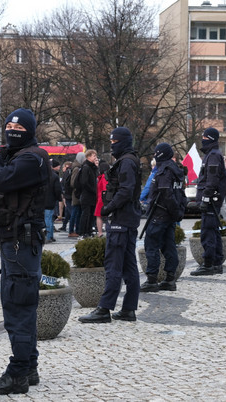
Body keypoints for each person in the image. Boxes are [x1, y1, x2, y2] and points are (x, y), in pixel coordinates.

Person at [0, 108, 50, 395]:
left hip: (22, 243)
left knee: (17, 307)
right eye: (8, 124)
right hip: (15, 241)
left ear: (30, 130)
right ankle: (29, 366)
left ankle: (18, 373)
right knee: (22, 305)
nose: (12, 130)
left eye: (18, 127)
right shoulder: (21, 156)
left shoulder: (31, 158)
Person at [78, 126, 142, 323]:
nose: (112, 145)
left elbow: (126, 190)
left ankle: (104, 309)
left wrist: (109, 208)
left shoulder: (126, 162)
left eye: (114, 142)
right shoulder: (129, 160)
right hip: (126, 218)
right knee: (129, 265)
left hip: (121, 219)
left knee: (113, 264)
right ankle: (128, 309)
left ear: (123, 142)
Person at [140, 143, 185, 292]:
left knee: (151, 244)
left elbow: (166, 193)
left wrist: (172, 210)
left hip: (160, 214)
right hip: (168, 215)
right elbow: (180, 194)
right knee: (168, 245)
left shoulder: (165, 170)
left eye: (156, 153)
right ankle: (170, 279)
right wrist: (176, 212)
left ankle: (152, 279)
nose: (154, 155)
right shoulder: (176, 170)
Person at [190, 127, 226, 276]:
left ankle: (208, 264)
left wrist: (205, 198)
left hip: (211, 200)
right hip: (212, 198)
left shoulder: (213, 156)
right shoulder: (212, 154)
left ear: (210, 139)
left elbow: (211, 181)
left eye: (204, 137)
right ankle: (217, 262)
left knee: (208, 232)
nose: (202, 139)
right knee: (213, 230)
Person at [77, 149, 99, 238]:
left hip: (92, 195)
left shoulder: (92, 167)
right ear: (88, 157)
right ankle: (83, 232)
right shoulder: (86, 167)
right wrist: (93, 190)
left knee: (91, 214)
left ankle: (89, 231)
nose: (95, 158)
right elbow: (84, 182)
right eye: (94, 156)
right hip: (87, 195)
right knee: (85, 214)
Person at [44, 159, 62, 243]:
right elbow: (58, 189)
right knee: (49, 218)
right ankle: (49, 236)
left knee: (47, 218)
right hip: (51, 199)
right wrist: (59, 198)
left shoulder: (43, 175)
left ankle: (48, 236)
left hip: (44, 199)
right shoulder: (54, 176)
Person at [68, 152, 85, 237]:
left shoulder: (77, 167)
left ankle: (76, 230)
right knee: (75, 213)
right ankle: (71, 231)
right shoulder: (76, 168)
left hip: (77, 193)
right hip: (76, 194)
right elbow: (73, 182)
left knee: (77, 213)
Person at [94, 161, 110, 237]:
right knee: (104, 216)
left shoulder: (103, 177)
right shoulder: (105, 176)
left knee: (99, 216)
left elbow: (104, 188)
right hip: (103, 199)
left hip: (101, 199)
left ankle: (100, 232)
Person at [59, 160, 73, 232]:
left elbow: (64, 185)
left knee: (69, 210)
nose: (62, 168)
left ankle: (71, 225)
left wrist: (64, 194)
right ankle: (64, 225)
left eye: (64, 166)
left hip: (67, 195)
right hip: (68, 194)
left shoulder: (66, 173)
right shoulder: (70, 172)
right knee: (68, 211)